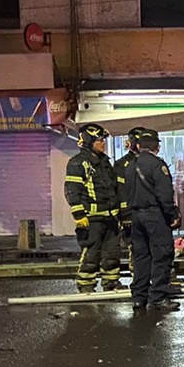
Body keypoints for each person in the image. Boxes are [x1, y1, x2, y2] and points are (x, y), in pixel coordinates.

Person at [125, 129, 181, 311]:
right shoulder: (157, 165)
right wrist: (173, 214)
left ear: (139, 146)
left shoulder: (130, 166)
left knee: (141, 257)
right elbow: (164, 194)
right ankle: (157, 297)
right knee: (162, 255)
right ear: (157, 146)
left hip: (136, 216)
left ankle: (138, 298)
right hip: (155, 216)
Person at [64, 123, 122, 293]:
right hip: (91, 218)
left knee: (112, 253)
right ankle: (86, 284)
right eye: (98, 140)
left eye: (103, 140)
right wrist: (79, 214)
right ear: (88, 142)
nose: (103, 143)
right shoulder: (78, 163)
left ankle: (111, 283)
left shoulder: (104, 162)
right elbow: (71, 190)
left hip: (111, 217)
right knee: (91, 253)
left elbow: (112, 188)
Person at [114, 127, 148, 275]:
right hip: (132, 214)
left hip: (150, 213)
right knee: (136, 247)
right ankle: (138, 277)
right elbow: (120, 191)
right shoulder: (122, 165)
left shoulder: (150, 161)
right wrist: (125, 214)